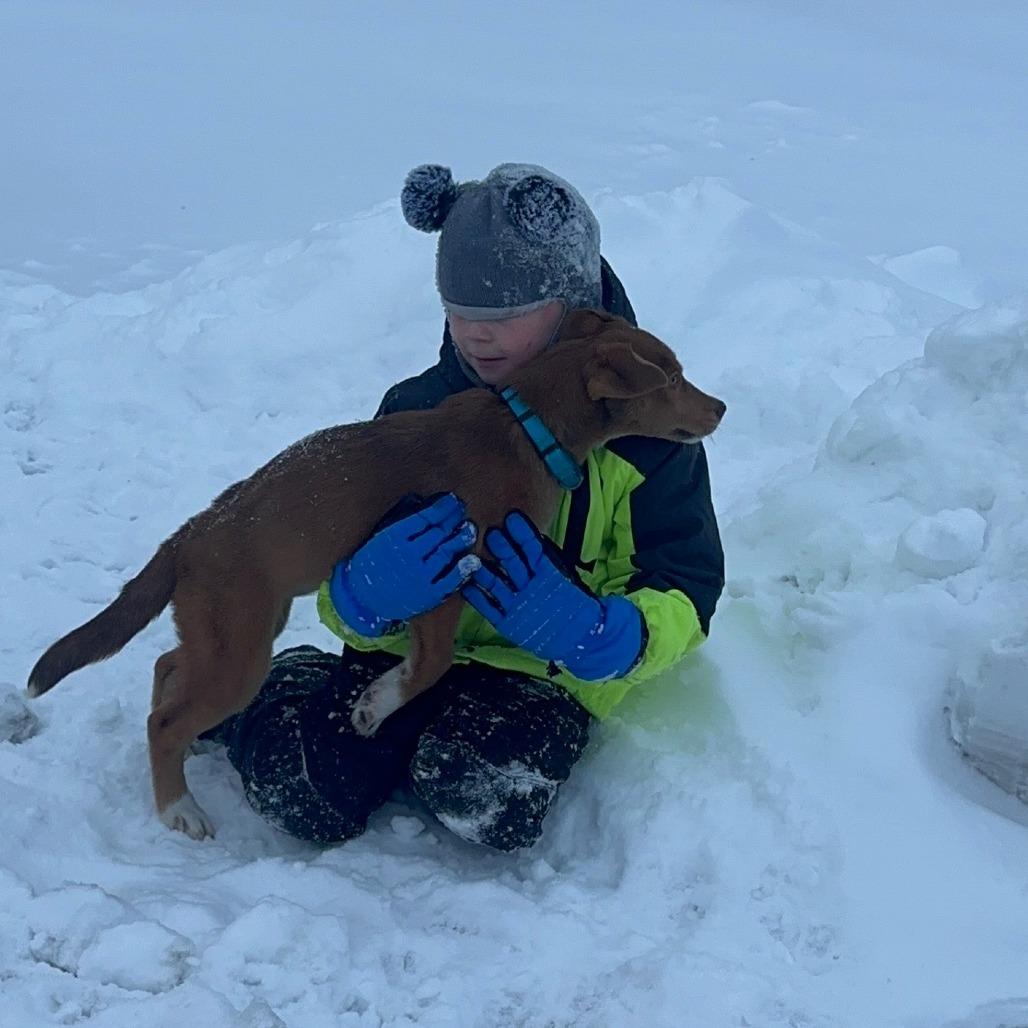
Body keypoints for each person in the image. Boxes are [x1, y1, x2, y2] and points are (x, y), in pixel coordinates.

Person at [200, 163, 725, 851]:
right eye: (461, 313)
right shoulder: (420, 414)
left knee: (486, 792)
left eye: (505, 317)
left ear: (572, 304)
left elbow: (688, 583)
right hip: (403, 651)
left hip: (541, 674)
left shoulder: (650, 433)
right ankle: (273, 688)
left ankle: (431, 744)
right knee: (309, 789)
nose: (478, 336)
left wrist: (610, 634)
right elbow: (337, 561)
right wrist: (360, 596)